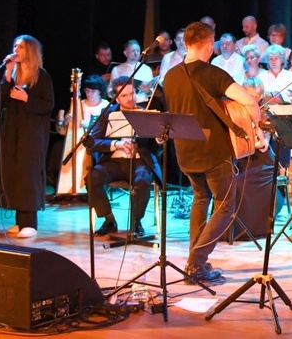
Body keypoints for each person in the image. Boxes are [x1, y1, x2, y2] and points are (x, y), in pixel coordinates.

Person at [163, 21, 266, 283]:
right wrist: (258, 134)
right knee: (226, 205)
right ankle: (196, 262)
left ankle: (194, 263)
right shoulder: (214, 74)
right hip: (213, 152)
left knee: (200, 198)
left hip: (184, 151)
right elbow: (250, 102)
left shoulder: (170, 77)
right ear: (209, 46)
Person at [85, 76, 161, 238]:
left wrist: (158, 139)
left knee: (142, 182)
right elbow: (93, 141)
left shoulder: (145, 112)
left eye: (131, 93)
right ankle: (109, 219)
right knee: (92, 178)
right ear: (116, 97)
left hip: (140, 161)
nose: (129, 98)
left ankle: (136, 222)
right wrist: (117, 144)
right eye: (124, 96)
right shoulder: (107, 114)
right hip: (113, 161)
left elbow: (155, 148)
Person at [0, 35, 55, 238]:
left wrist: (27, 98)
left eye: (20, 47)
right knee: (14, 171)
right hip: (13, 129)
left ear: (30, 51)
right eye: (14, 45)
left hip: (32, 133)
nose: (16, 49)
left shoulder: (42, 76)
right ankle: (19, 220)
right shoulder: (12, 74)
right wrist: (6, 73)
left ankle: (30, 222)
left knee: (28, 174)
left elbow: (48, 104)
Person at [109, 39, 155, 104]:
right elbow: (110, 90)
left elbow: (151, 91)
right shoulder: (116, 69)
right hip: (123, 104)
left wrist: (147, 91)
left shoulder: (146, 69)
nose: (136, 53)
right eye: (133, 51)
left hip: (142, 103)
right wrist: (119, 94)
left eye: (138, 51)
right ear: (125, 53)